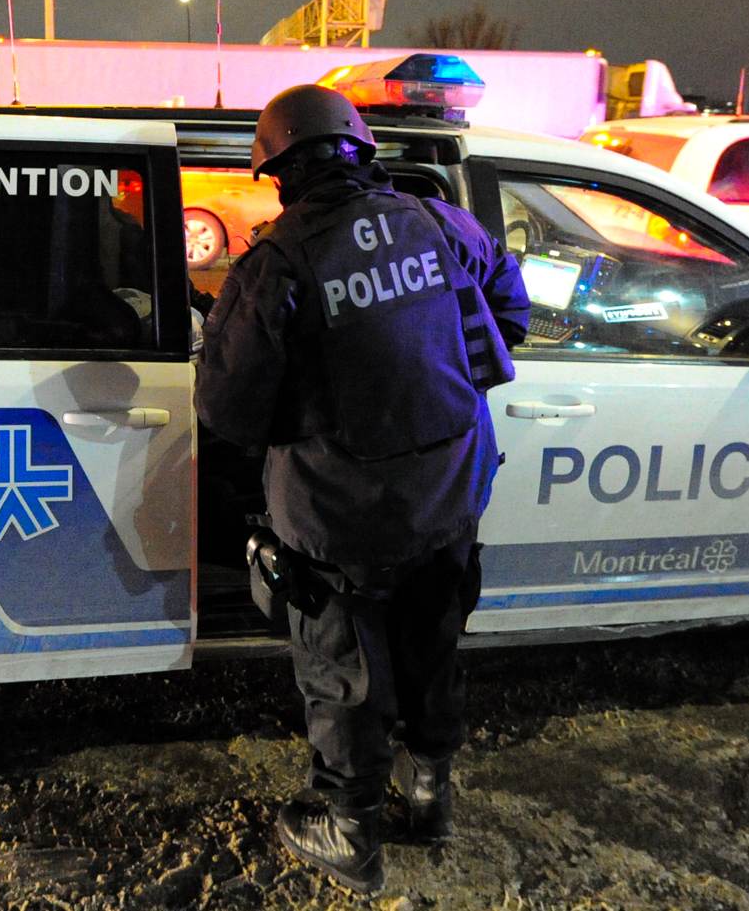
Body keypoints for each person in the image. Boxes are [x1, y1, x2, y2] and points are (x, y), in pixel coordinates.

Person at [195, 84, 529, 893]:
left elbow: (227, 410)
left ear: (276, 172)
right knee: (432, 642)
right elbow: (510, 316)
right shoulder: (443, 223)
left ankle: (350, 831)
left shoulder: (275, 262)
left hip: (340, 519)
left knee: (345, 670)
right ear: (363, 148)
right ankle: (429, 794)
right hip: (449, 495)